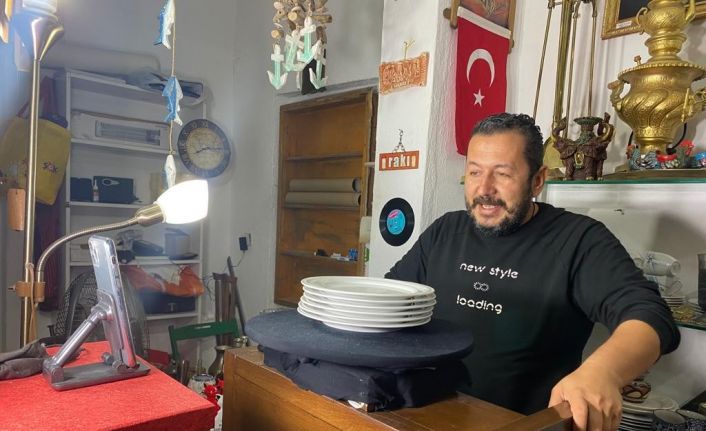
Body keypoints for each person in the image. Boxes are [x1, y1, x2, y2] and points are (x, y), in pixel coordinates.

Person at [386, 113, 680, 430]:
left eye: (502, 174)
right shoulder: (445, 231)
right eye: (474, 172)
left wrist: (602, 373)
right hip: (425, 414)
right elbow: (390, 301)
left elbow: (650, 316)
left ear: (537, 180)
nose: (484, 189)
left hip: (522, 424)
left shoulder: (578, 240)